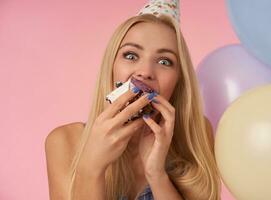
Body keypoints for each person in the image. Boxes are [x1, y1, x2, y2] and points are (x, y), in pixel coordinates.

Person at [45, 1, 221, 199]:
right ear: (111, 68)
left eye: (164, 61)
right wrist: (90, 169)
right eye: (130, 55)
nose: (145, 72)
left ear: (178, 81)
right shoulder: (65, 141)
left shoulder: (196, 136)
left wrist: (156, 174)